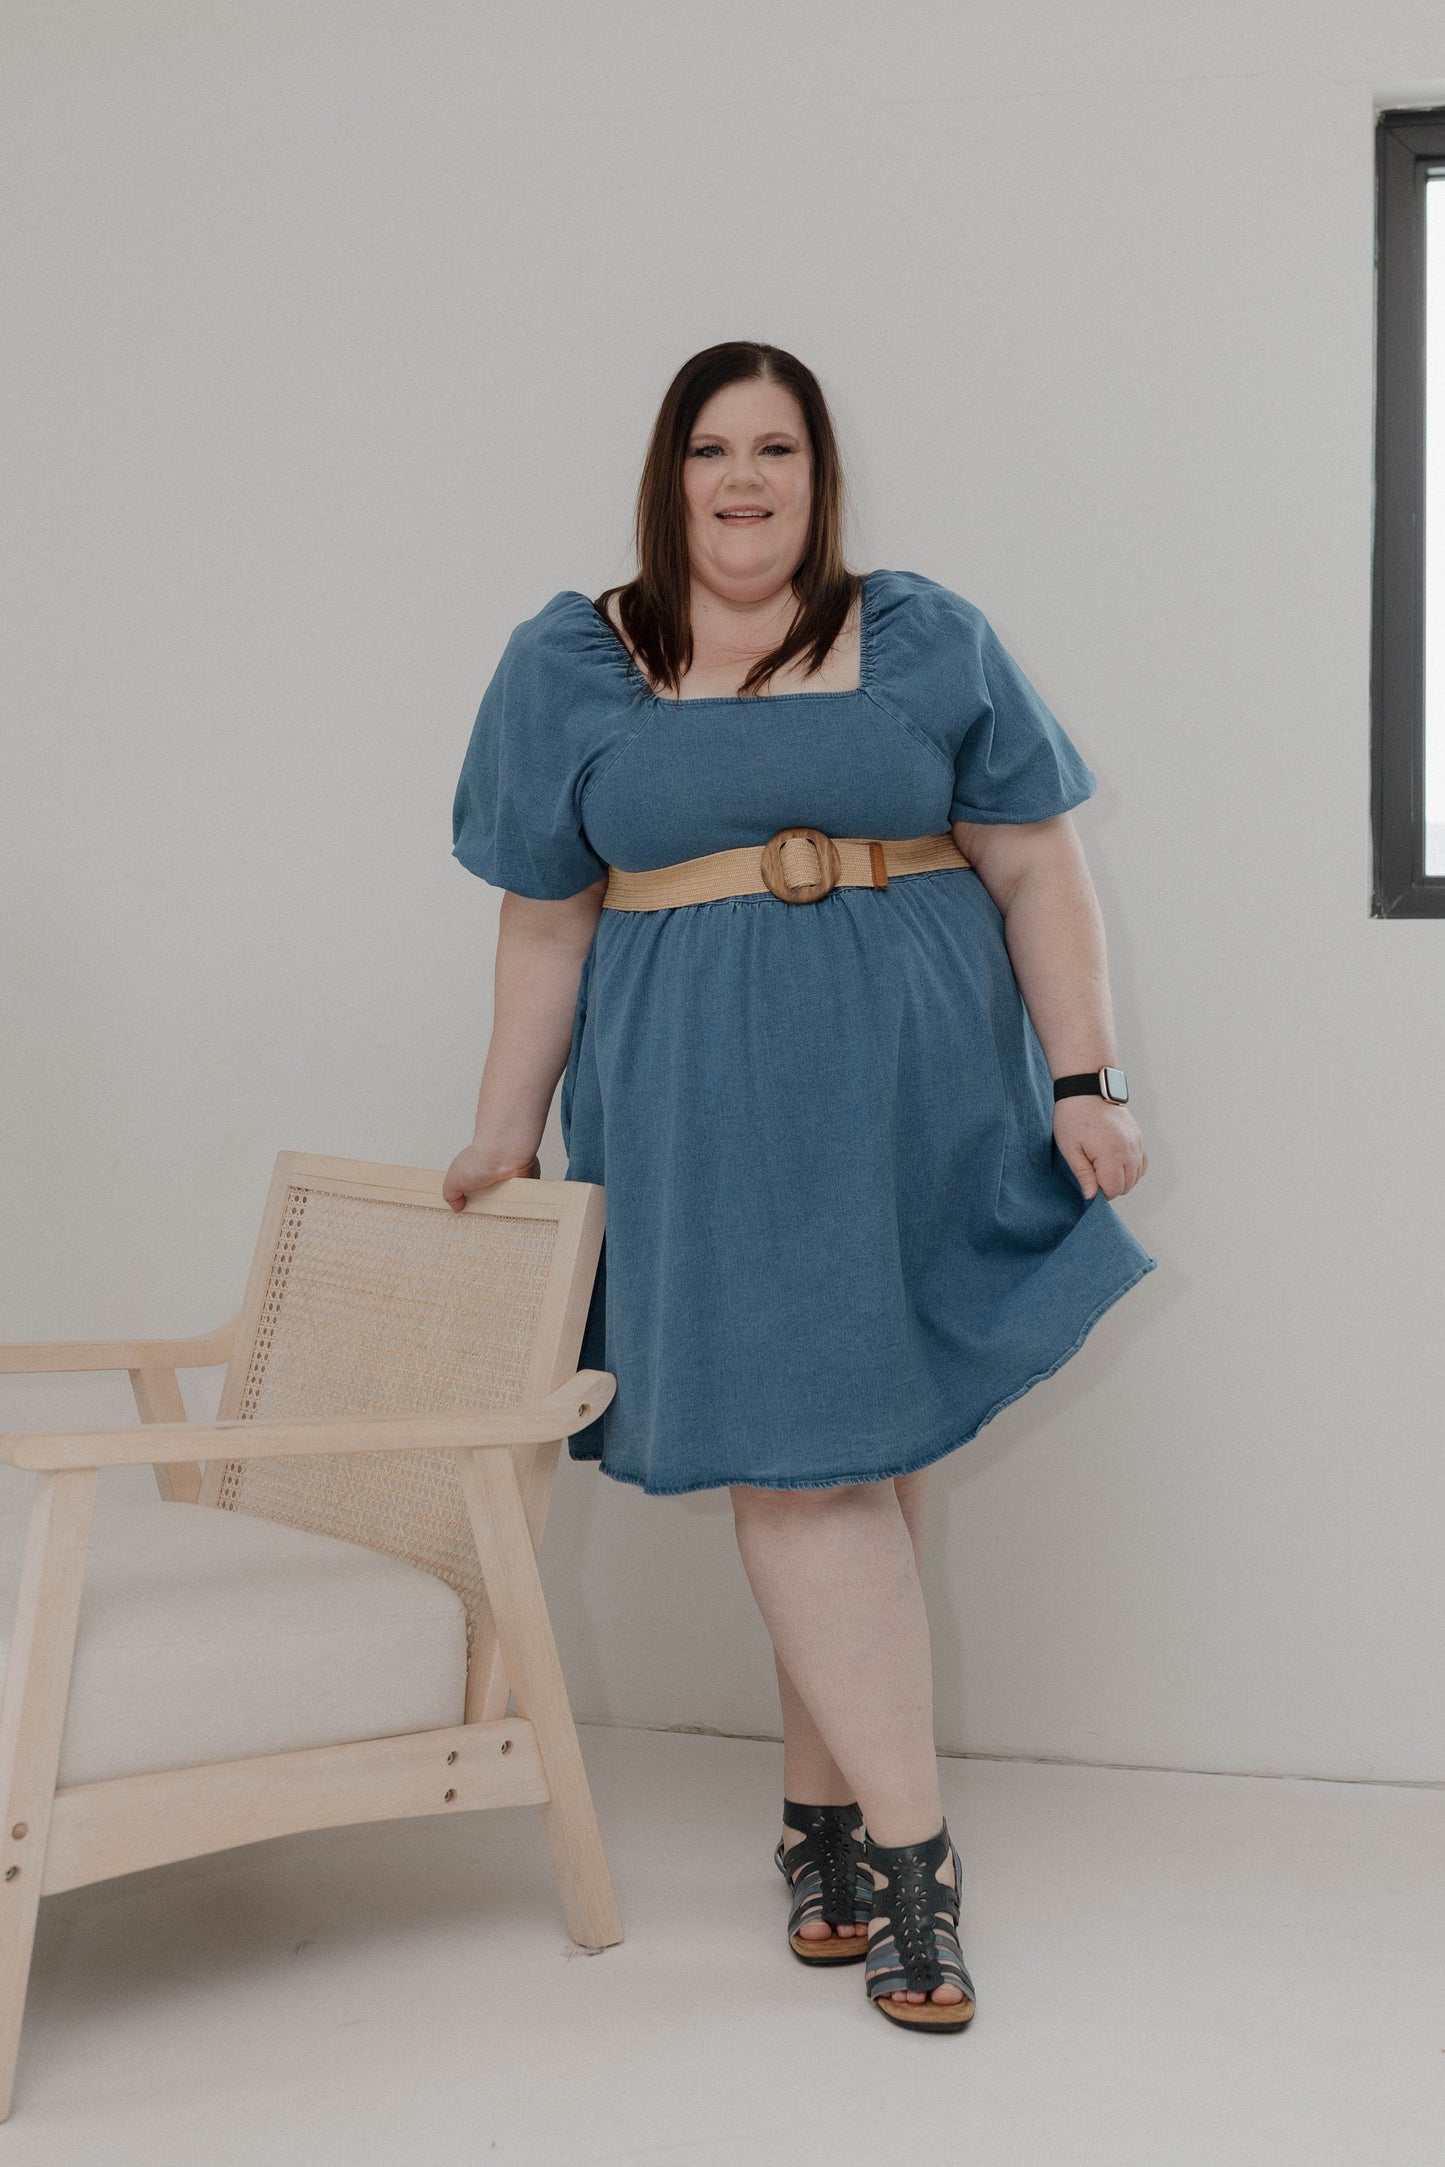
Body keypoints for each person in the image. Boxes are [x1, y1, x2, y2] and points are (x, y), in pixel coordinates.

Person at [444, 340, 1156, 2030]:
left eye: (776, 448)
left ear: (819, 474)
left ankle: (819, 1823)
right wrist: (500, 1127)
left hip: (916, 1098)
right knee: (810, 1468)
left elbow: (1034, 859)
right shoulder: (573, 659)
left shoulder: (922, 636)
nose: (744, 480)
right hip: (700, 1111)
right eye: (711, 450)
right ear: (666, 475)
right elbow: (546, 916)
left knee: (861, 1455)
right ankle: (918, 1870)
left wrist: (1081, 1078)